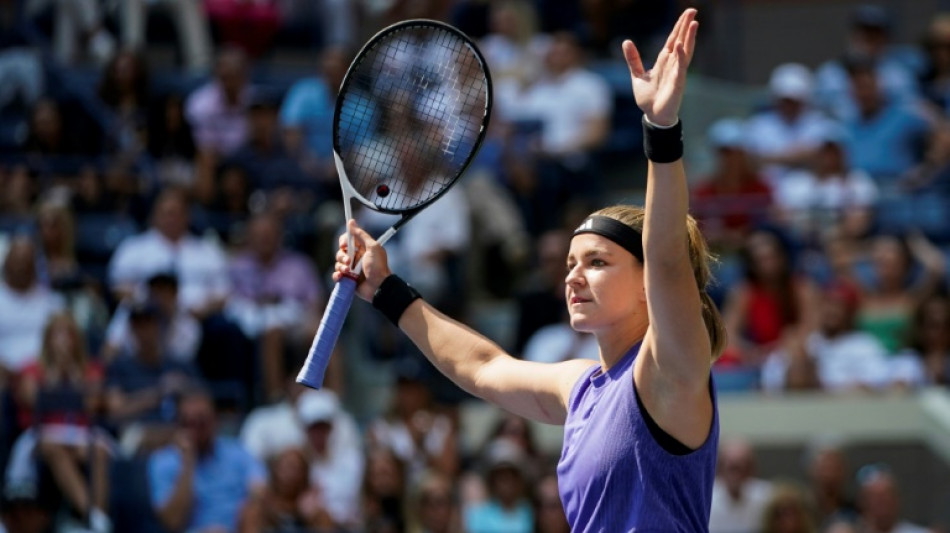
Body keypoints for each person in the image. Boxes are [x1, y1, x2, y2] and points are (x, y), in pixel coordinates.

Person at [331, 9, 723, 530]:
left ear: (648, 282)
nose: (573, 277)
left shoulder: (671, 369)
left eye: (598, 262)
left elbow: (669, 258)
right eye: (570, 263)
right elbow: (483, 367)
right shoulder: (582, 387)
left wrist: (661, 126)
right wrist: (385, 290)